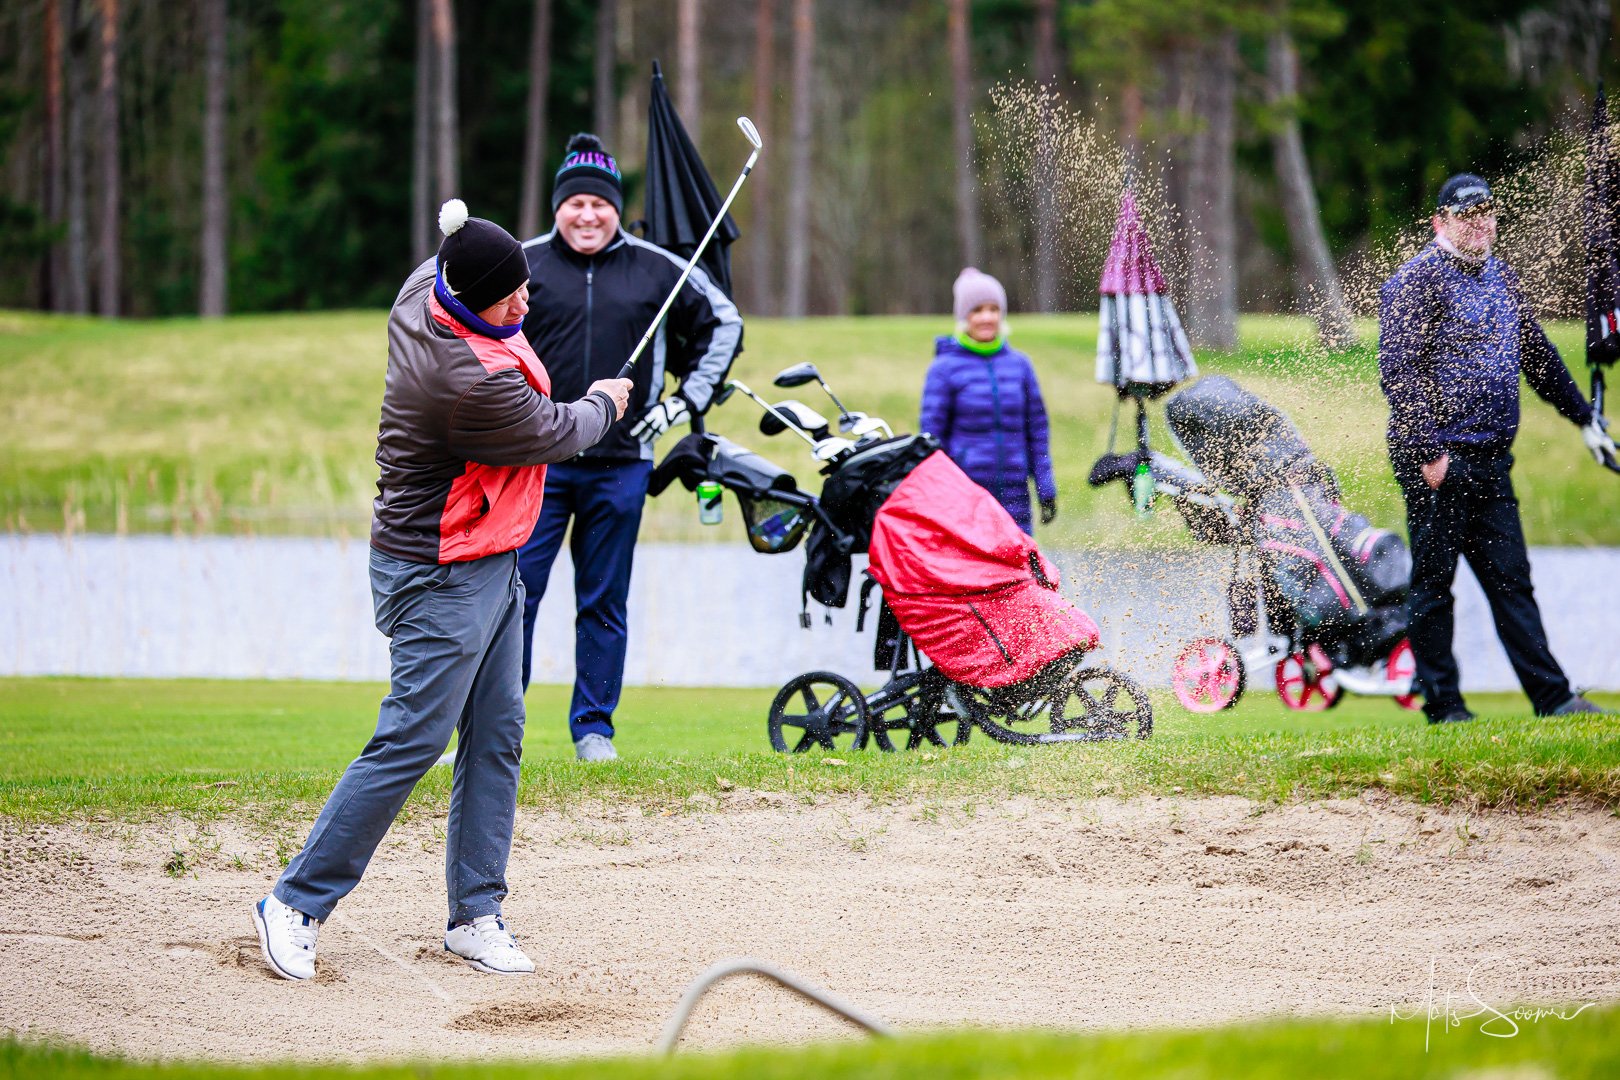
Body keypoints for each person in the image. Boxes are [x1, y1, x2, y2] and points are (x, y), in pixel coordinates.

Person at [252, 200, 632, 981]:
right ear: (468, 299)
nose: (526, 305)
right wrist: (606, 401)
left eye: (526, 289)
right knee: (415, 738)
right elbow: (559, 432)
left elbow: (454, 254)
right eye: (511, 297)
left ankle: (475, 913)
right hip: (436, 572)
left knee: (497, 733)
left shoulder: (429, 282)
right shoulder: (467, 385)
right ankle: (295, 900)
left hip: (490, 559)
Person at [517, 133, 742, 762]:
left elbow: (725, 324)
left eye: (599, 204)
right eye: (575, 203)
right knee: (514, 600)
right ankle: (493, 733)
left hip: (622, 465)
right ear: (557, 206)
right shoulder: (523, 265)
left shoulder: (659, 269)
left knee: (604, 601)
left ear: (616, 208)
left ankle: (594, 729)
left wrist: (682, 403)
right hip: (537, 464)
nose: (587, 215)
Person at [1378, 173, 1616, 724]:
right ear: (1441, 222)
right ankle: (1444, 706)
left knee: (1513, 583)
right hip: (1438, 461)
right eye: (1466, 215)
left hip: (1489, 462)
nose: (1479, 223)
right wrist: (1428, 448)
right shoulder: (1417, 280)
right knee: (1435, 587)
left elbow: (1537, 357)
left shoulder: (1500, 277)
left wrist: (1584, 417)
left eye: (1486, 213)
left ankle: (1554, 699)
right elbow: (1399, 372)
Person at [919, 267, 1057, 534]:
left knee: (1018, 570)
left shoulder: (1020, 366)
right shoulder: (944, 369)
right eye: (978, 310)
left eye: (993, 309)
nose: (987, 317)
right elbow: (931, 440)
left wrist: (1045, 486)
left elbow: (1037, 431)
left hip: (1015, 493)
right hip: (966, 493)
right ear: (964, 316)